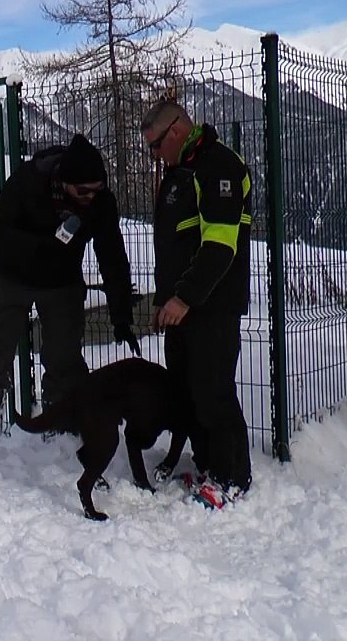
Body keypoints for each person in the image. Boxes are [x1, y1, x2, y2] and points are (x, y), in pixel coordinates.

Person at [0, 134, 138, 448]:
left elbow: (112, 257)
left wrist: (121, 316)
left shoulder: (100, 202)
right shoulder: (28, 181)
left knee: (64, 356)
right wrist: (41, 246)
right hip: (12, 274)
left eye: (97, 189)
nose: (91, 197)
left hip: (62, 281)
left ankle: (63, 426)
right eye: (83, 191)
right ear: (65, 182)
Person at [143, 99, 253, 507]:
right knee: (189, 390)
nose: (155, 154)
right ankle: (208, 466)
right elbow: (174, 246)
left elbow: (220, 246)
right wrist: (165, 301)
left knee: (213, 391)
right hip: (180, 308)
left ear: (175, 130)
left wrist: (184, 298)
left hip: (213, 305)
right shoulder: (179, 173)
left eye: (156, 145)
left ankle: (232, 478)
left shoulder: (219, 166)